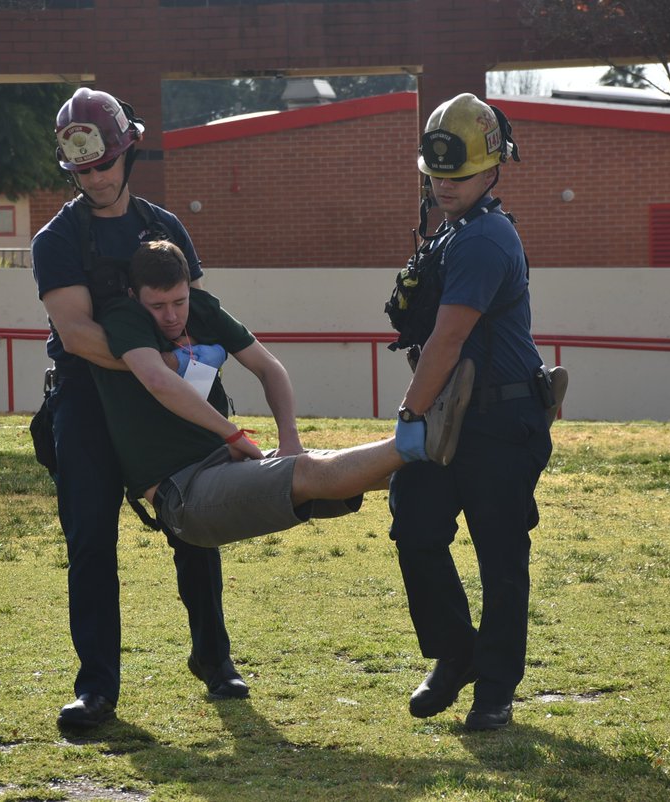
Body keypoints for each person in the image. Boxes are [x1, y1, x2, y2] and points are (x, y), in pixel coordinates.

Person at [30, 87, 247, 734]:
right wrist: (156, 369)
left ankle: (215, 659)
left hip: (169, 395)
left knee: (196, 525)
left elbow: (195, 312)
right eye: (82, 169)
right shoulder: (56, 240)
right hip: (87, 399)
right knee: (91, 540)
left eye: (104, 164)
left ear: (128, 152)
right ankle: (96, 688)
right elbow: (76, 334)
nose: (95, 178)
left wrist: (184, 379)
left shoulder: (166, 227)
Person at [92, 239, 474, 550]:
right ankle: (417, 434)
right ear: (134, 296)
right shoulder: (125, 318)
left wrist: (289, 439)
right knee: (309, 472)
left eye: (179, 302)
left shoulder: (202, 309)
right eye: (158, 306)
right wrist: (233, 435)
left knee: (352, 467)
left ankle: (463, 464)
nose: (172, 316)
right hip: (183, 492)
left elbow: (269, 367)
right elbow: (158, 380)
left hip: (224, 464)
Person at [386, 93, 558, 732]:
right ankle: (456, 653)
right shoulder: (453, 231)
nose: (444, 185)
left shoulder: (485, 236)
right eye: (436, 174)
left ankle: (495, 688)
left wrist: (409, 417)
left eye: (458, 174)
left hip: (500, 422)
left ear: (492, 168)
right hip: (452, 412)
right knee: (416, 527)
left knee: (500, 555)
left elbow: (450, 337)